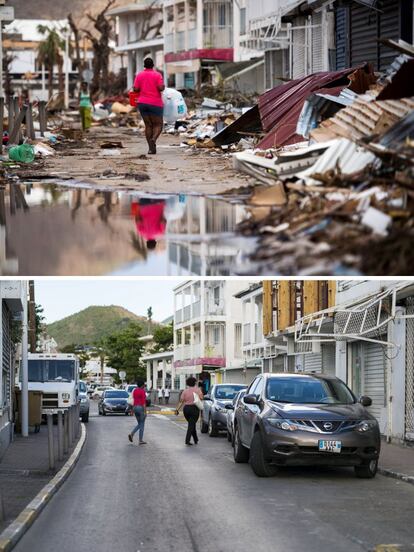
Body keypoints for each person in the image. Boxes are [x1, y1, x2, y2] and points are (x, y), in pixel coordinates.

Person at [133, 57, 165, 155]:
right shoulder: (157, 75)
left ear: (144, 65)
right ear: (153, 65)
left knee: (148, 125)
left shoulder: (139, 75)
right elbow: (160, 88)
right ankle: (153, 139)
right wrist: (163, 86)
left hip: (142, 103)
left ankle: (151, 149)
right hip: (155, 103)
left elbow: (135, 89)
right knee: (158, 124)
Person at [175, 377, 203, 446]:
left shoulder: (185, 391)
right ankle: (187, 440)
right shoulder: (198, 390)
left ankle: (196, 439)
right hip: (194, 409)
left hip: (186, 409)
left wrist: (177, 409)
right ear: (195, 383)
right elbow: (201, 398)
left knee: (191, 424)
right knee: (191, 425)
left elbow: (181, 401)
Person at [128, 379, 147, 445]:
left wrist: (132, 410)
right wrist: (145, 411)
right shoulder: (142, 391)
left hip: (135, 407)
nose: (144, 386)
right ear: (142, 385)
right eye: (144, 385)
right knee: (142, 424)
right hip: (140, 408)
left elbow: (133, 400)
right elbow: (144, 402)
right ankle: (132, 434)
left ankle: (140, 440)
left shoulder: (135, 390)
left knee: (140, 424)